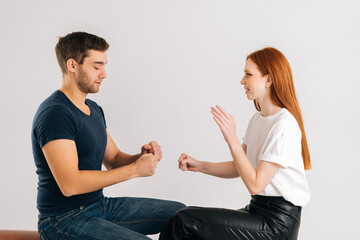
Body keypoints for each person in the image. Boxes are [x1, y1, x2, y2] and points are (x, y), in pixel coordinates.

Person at [32, 31, 185, 240]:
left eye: (104, 65)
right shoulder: (56, 113)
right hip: (62, 220)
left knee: (183, 216)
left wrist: (139, 159)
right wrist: (134, 170)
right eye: (97, 66)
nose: (104, 74)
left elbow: (113, 160)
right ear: (72, 65)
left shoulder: (93, 109)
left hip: (98, 206)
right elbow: (70, 184)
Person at [159, 47, 311, 240]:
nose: (242, 81)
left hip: (278, 224)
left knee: (185, 221)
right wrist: (199, 166)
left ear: (269, 80)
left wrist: (232, 138)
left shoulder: (284, 126)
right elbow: (239, 167)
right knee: (188, 220)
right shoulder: (258, 119)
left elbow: (255, 184)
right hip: (258, 211)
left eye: (248, 74)